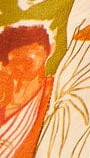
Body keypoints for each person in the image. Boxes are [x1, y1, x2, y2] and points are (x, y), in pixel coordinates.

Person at [0, 26, 51, 158]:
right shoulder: (4, 96)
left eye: (35, 52)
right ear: (6, 65)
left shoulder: (54, 92)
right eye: (18, 58)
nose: (24, 65)